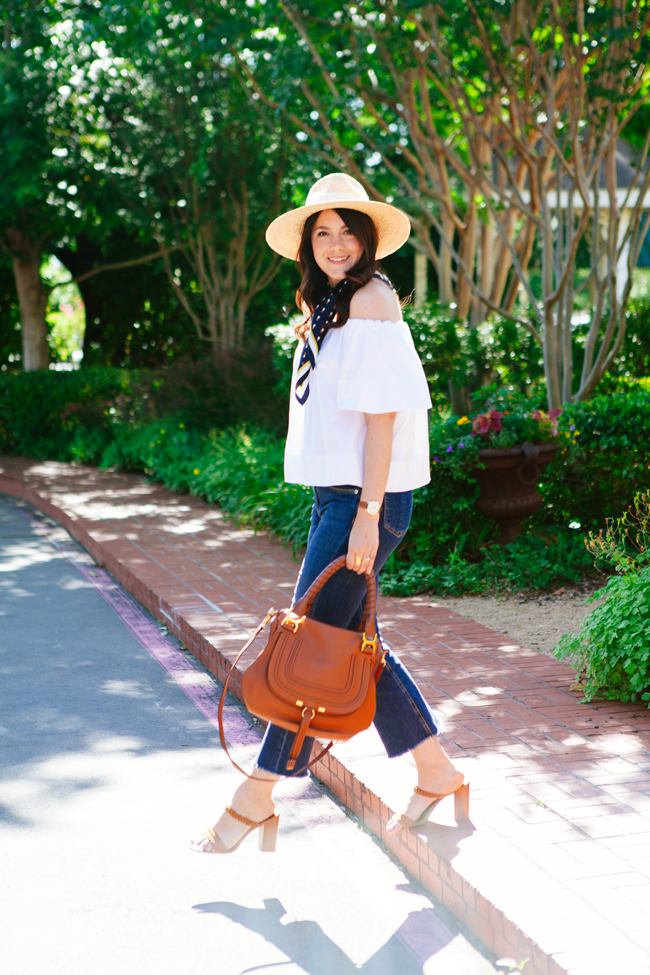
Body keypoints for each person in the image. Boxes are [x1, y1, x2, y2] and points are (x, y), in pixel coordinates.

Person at [191, 173, 467, 855]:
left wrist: (369, 513)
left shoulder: (373, 300)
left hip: (360, 502)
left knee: (305, 646)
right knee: (342, 644)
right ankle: (437, 772)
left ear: (368, 239)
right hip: (338, 499)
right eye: (323, 233)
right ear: (309, 244)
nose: (337, 243)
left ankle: (254, 794)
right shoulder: (332, 302)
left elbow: (382, 419)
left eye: (348, 231)